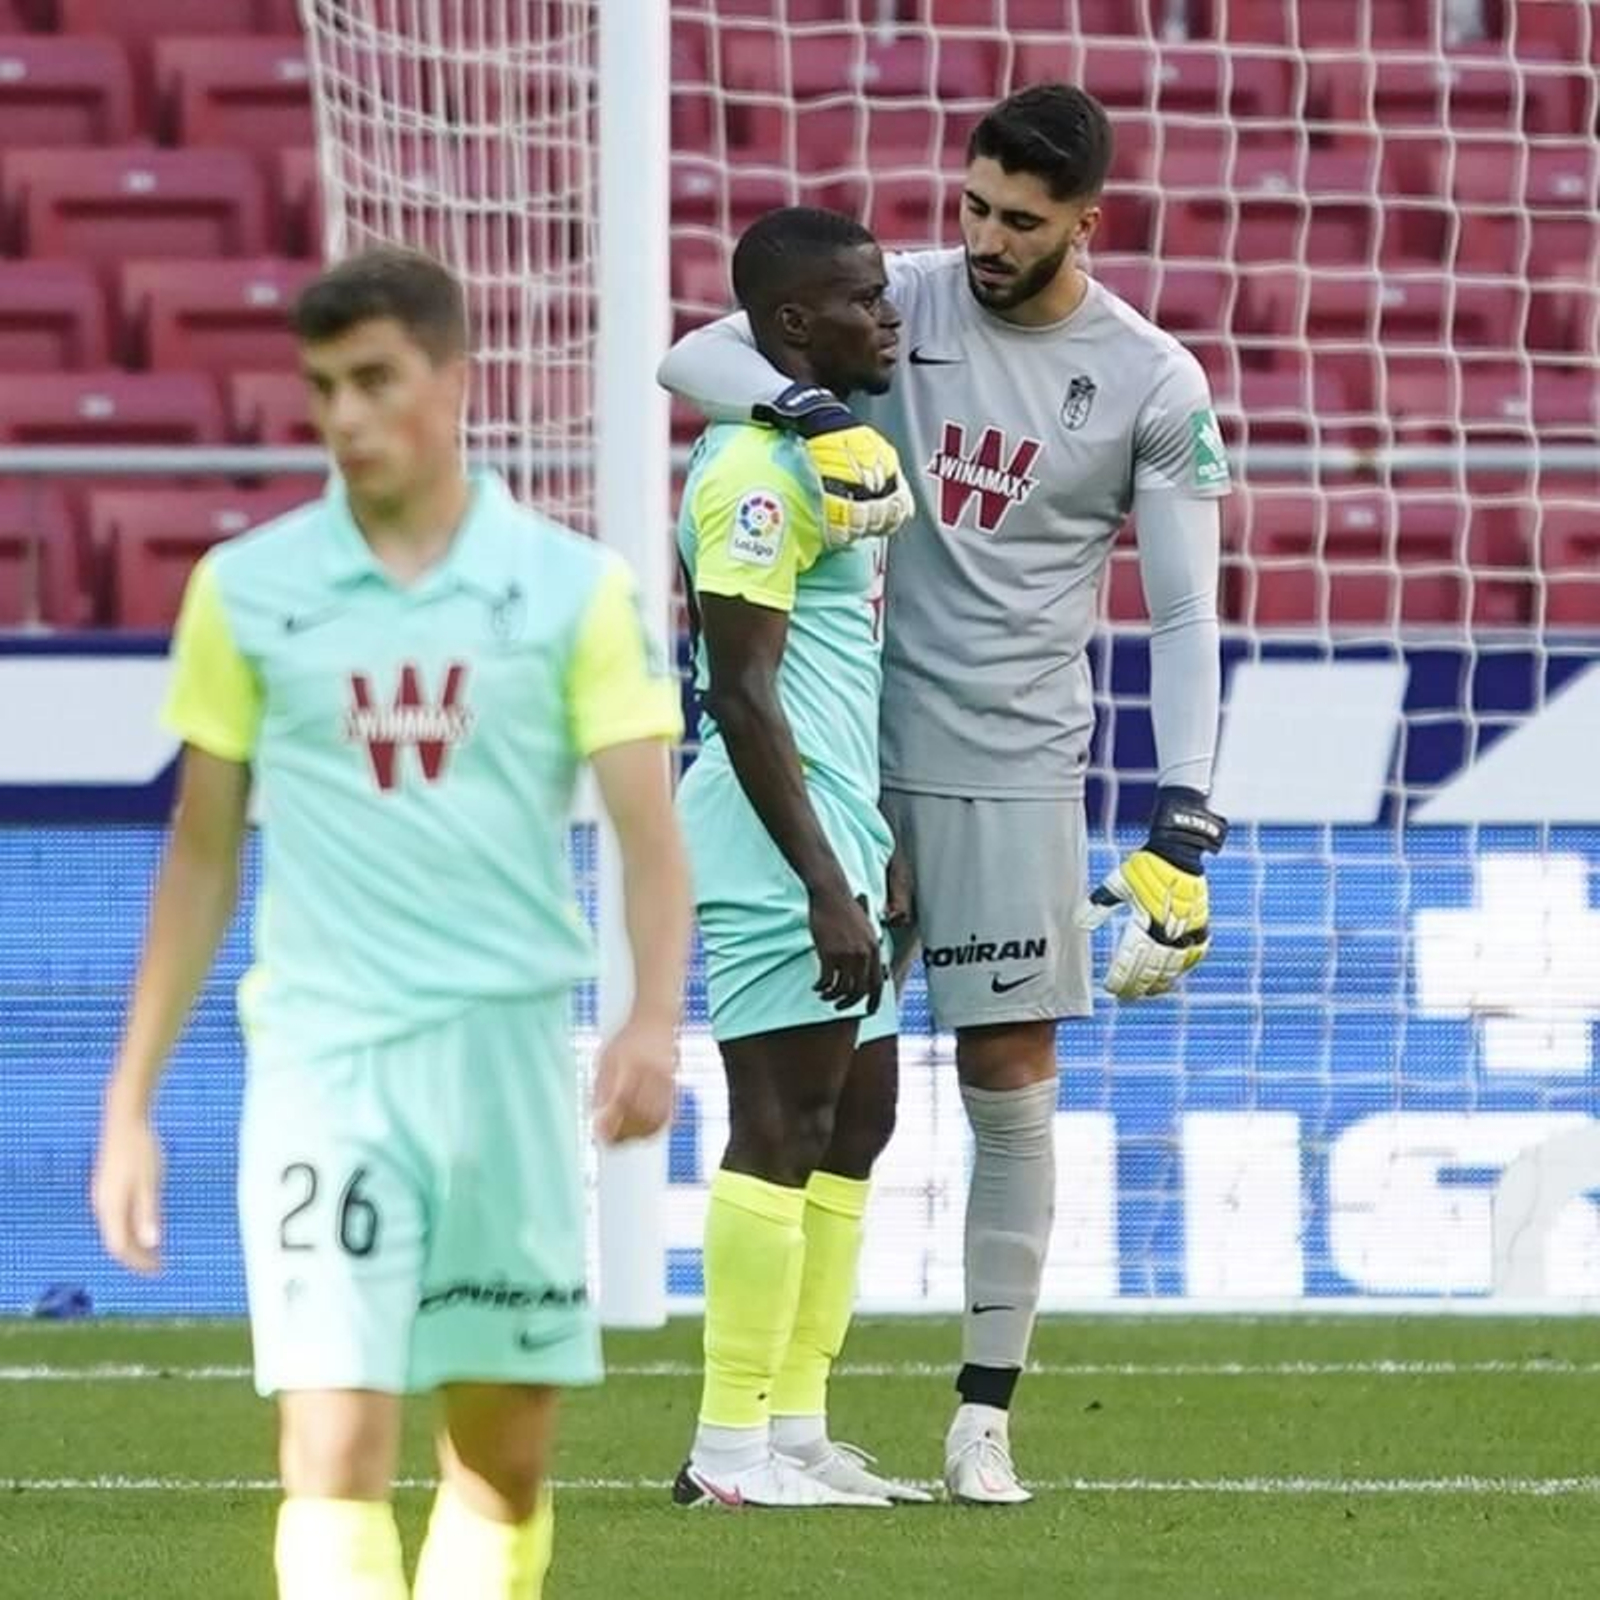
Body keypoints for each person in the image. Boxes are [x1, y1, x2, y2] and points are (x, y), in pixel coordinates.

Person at [659, 83, 1230, 1504]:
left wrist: (1186, 816)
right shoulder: (889, 296)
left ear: (1085, 223)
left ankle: (983, 1412)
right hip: (837, 750)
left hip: (1006, 761)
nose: (979, 239)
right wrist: (799, 402)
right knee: (823, 1102)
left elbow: (1185, 614)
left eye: (1018, 221)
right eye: (972, 204)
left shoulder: (1153, 379)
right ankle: (768, 1433)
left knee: (1004, 1083)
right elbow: (690, 354)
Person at [92, 246, 691, 1599]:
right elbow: (198, 857)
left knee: (501, 1465)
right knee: (333, 1444)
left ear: (454, 382)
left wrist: (654, 1015)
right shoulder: (246, 590)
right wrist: (130, 1102)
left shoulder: (571, 591)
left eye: (375, 381)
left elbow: (651, 836)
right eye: (323, 389)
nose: (346, 418)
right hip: (326, 1070)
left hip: (502, 1068)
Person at [669, 206, 928, 1510]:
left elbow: (838, 669)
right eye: (863, 298)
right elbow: (744, 694)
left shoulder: (832, 451)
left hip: (840, 823)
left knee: (859, 1119)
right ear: (789, 326)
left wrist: (873, 839)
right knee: (781, 1121)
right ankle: (726, 1449)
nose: (888, 315)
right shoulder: (752, 476)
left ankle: (794, 1425)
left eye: (886, 293)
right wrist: (825, 874)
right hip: (779, 839)